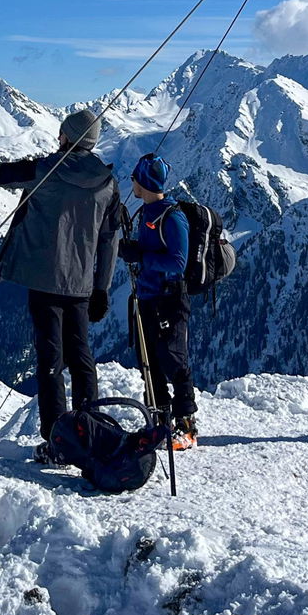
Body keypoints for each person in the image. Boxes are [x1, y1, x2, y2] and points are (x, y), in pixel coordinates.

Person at [0, 109, 125, 463]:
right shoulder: (108, 183)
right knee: (81, 357)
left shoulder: (46, 169)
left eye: (61, 135)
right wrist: (101, 288)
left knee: (50, 360)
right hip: (82, 285)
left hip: (44, 279)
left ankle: (58, 440)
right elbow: (110, 239)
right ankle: (92, 427)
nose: (58, 139)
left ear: (68, 137)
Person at [119, 152, 197, 451]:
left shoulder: (171, 215)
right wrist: (135, 250)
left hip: (169, 298)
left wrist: (140, 256)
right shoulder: (147, 213)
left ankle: (186, 425)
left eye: (135, 178)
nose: (132, 183)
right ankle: (160, 421)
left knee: (174, 360)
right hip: (148, 296)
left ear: (144, 181)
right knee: (148, 361)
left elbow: (178, 262)